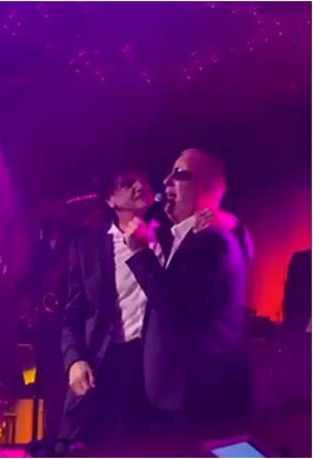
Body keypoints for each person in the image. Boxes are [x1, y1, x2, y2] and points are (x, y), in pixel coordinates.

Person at [124, 148, 251, 434]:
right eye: (169, 174)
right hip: (178, 399)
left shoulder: (212, 242)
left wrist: (140, 253)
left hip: (193, 401)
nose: (166, 182)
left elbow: (173, 304)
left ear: (207, 188)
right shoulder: (195, 237)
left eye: (180, 174)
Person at [59, 167, 168, 450]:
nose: (139, 186)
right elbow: (73, 313)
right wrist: (74, 360)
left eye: (142, 180)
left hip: (151, 364)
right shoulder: (87, 245)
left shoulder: (169, 237)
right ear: (110, 199)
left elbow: (171, 301)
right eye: (128, 183)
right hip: (104, 361)